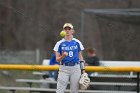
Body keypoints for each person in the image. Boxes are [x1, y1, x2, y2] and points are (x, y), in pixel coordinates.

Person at [53, 23, 86, 93]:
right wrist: (63, 56)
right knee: (60, 90)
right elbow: (57, 59)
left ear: (72, 31)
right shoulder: (59, 43)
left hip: (75, 68)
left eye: (69, 29)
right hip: (64, 68)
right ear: (63, 31)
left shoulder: (77, 42)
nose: (67, 31)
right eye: (65, 29)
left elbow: (81, 57)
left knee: (74, 91)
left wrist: (83, 71)